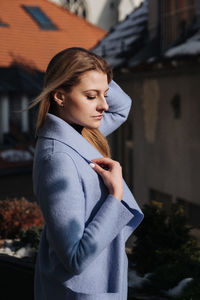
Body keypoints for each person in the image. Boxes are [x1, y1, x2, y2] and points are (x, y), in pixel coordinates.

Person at [32, 47, 144, 300]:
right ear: (60, 96)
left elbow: (122, 106)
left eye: (105, 94)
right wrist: (115, 195)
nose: (104, 105)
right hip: (79, 292)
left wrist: (93, 69)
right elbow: (75, 256)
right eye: (91, 96)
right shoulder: (58, 158)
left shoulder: (79, 134)